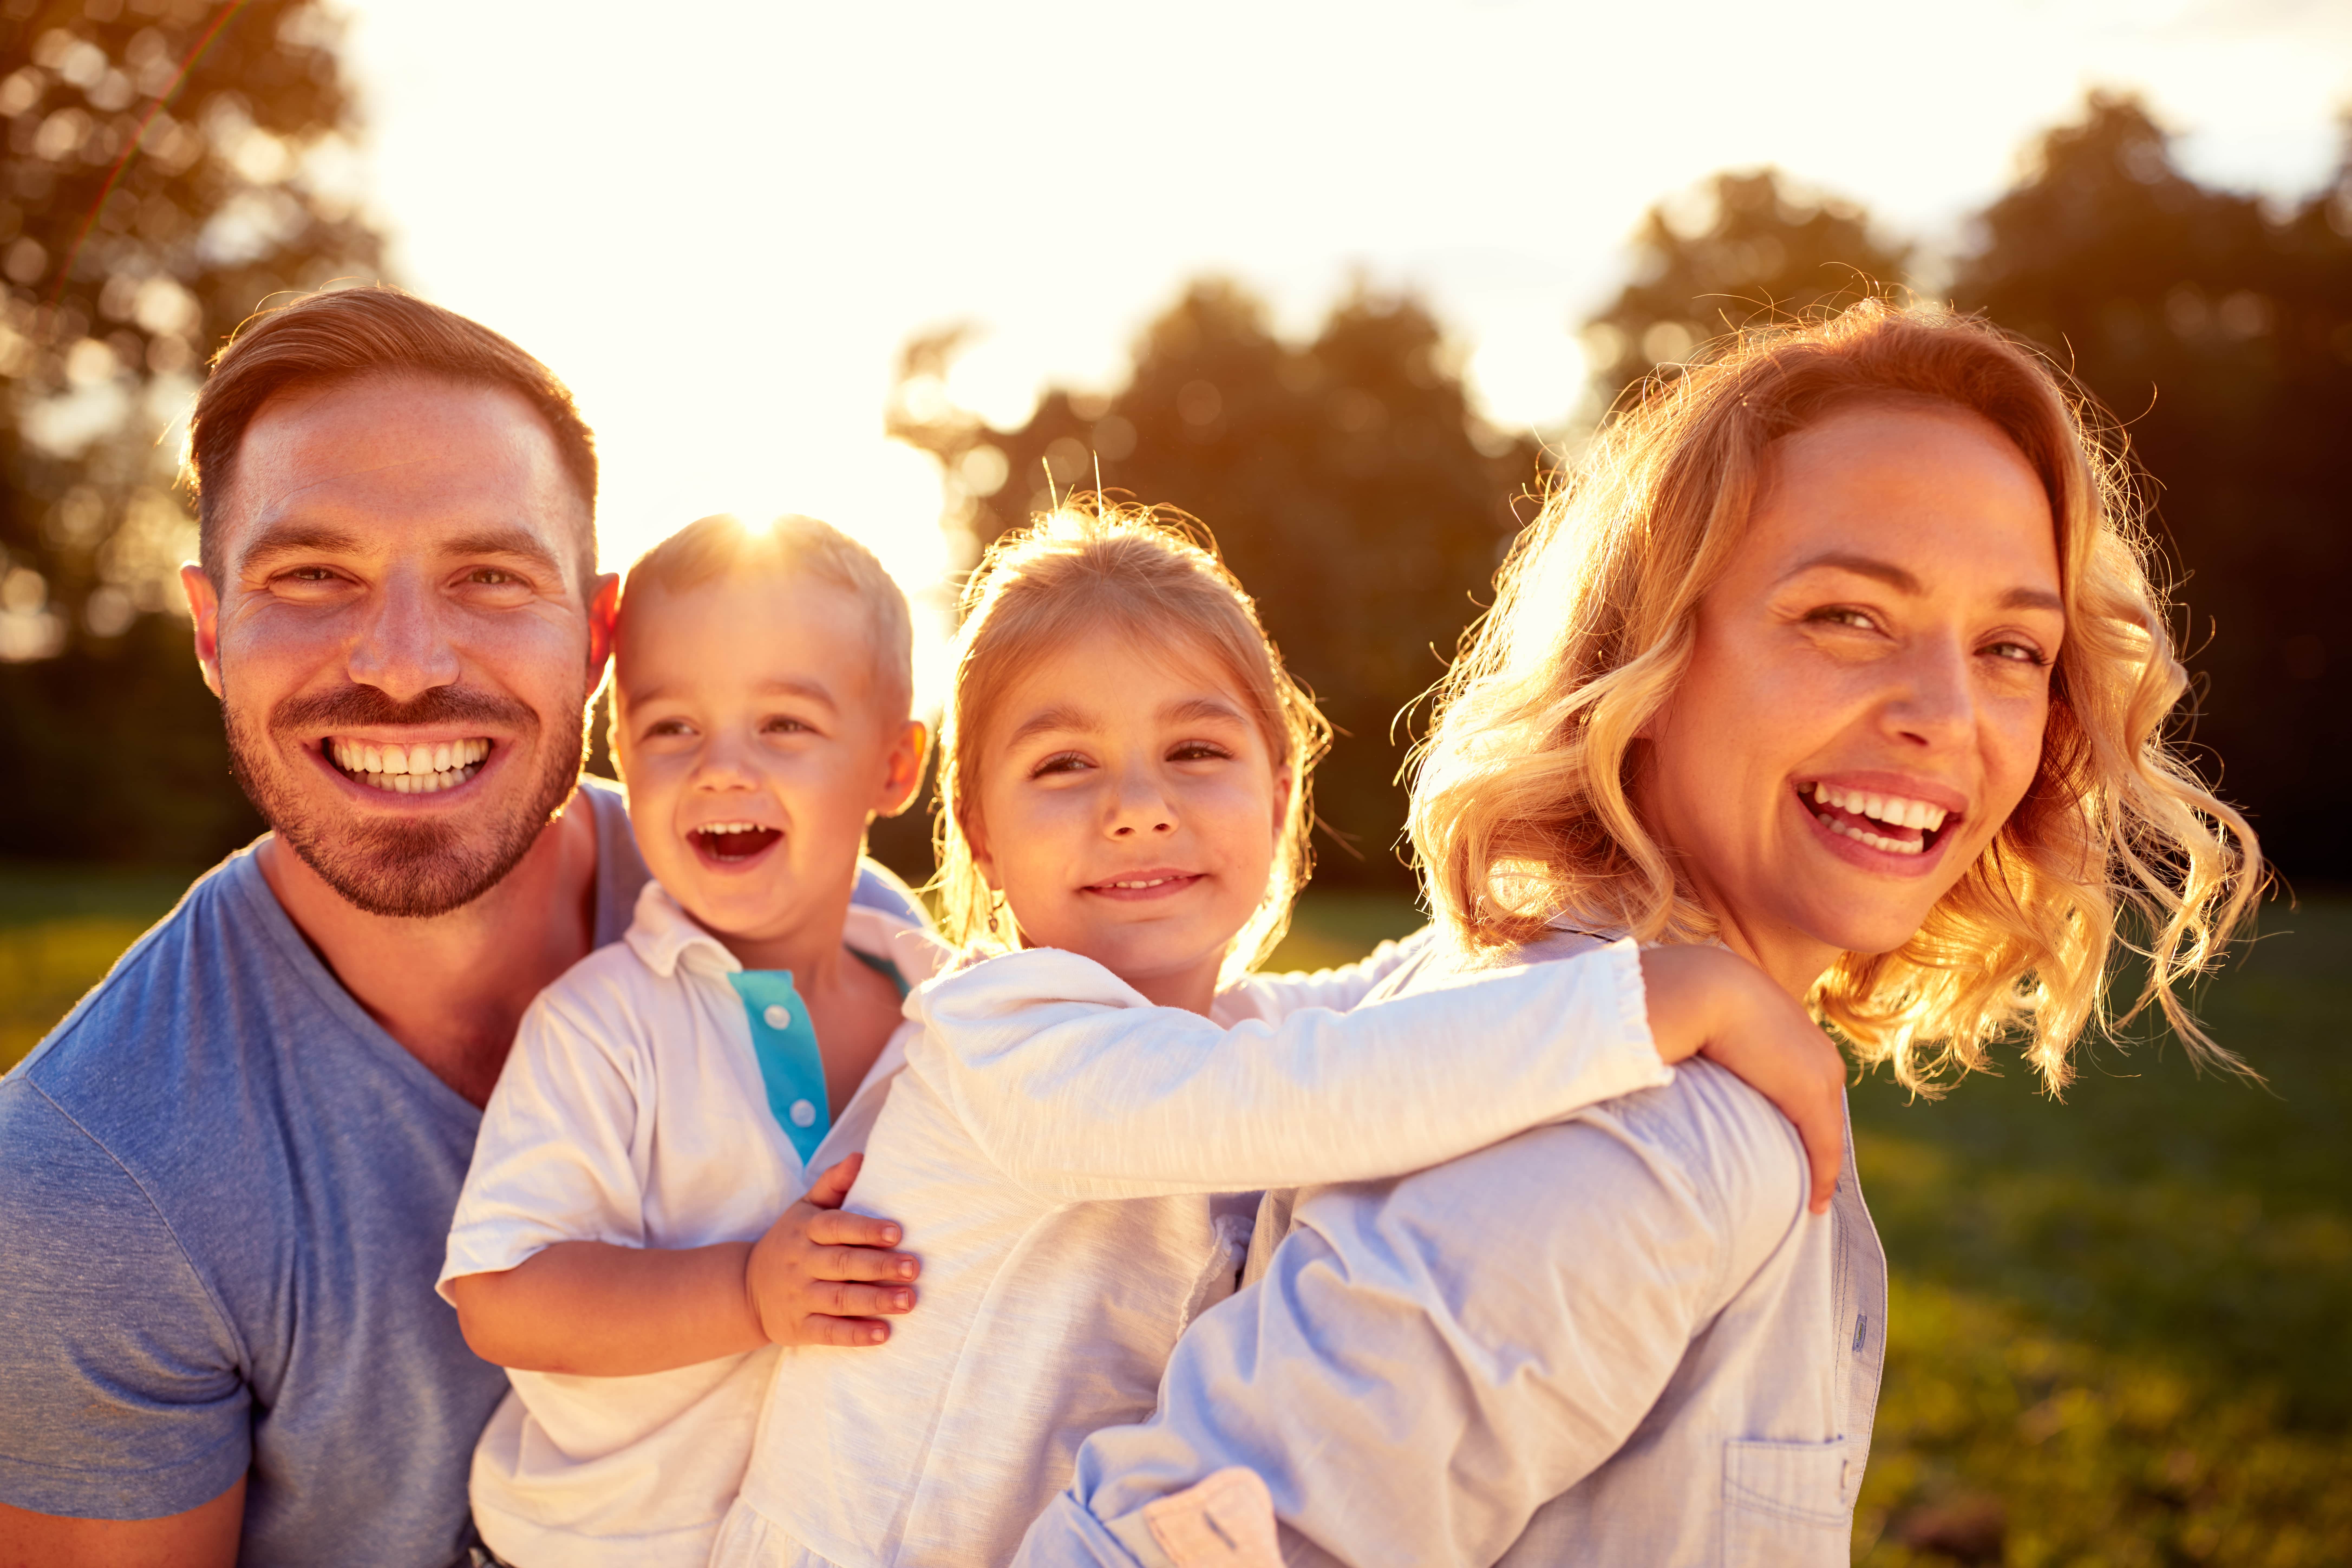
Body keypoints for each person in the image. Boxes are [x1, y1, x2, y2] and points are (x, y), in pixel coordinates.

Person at [1012, 302, 2262, 1568]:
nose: (1947, 714)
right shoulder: (1643, 1134)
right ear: (1649, 654)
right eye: (1848, 616)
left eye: (2010, 647)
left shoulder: (1491, 1001)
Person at [707, 504, 1852, 1568]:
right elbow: (1318, 1087)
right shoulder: (1001, 1037)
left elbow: (1397, 992)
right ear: (982, 834)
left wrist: (1599, 910)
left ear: (1277, 792)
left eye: (1197, 751)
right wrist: (1661, 1001)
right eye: (1064, 765)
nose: (1138, 804)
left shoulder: (1227, 1027)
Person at [0, 290, 920, 1567]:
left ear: (597, 636)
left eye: (490, 576)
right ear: (213, 630)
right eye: (314, 574)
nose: (404, 661)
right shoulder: (95, 1176)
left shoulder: (844, 934)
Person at [438, 515, 945, 1568]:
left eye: (786, 725)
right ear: (618, 750)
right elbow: (503, 1292)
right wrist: (748, 1291)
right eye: (672, 727)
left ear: (894, 765)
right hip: (595, 1545)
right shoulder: (606, 1023)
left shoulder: (947, 1004)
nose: (722, 767)